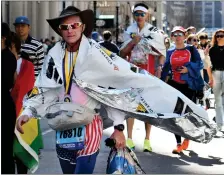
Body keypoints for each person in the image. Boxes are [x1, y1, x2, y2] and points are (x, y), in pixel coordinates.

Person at [16, 6, 126, 174]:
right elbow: (44, 88)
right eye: (65, 27)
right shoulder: (53, 55)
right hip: (63, 125)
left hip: (89, 123)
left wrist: (118, 128)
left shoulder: (96, 54)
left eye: (74, 25)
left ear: (83, 27)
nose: (70, 30)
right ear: (60, 30)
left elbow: (109, 91)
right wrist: (29, 111)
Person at [120, 2, 165, 152]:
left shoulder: (153, 31)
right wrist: (133, 42)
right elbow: (122, 53)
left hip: (149, 72)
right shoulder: (129, 31)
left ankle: (147, 140)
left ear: (147, 15)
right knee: (130, 106)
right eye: (137, 14)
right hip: (132, 72)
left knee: (148, 107)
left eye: (142, 14)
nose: (139, 16)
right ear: (133, 15)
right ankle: (130, 138)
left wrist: (160, 67)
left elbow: (162, 53)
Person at [161, 26, 204, 154]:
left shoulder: (191, 49)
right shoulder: (170, 51)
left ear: (185, 36)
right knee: (175, 114)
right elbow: (166, 67)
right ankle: (178, 143)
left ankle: (187, 137)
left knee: (187, 113)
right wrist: (162, 82)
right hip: (175, 84)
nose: (178, 36)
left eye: (180, 34)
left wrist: (188, 69)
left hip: (189, 85)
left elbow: (199, 64)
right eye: (175, 34)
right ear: (173, 36)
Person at [9, 32, 35, 174]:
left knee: (21, 154)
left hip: (20, 113)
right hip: (8, 112)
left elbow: (28, 90)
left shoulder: (26, 65)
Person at [1, 22, 17, 174]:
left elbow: (7, 81)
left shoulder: (8, 57)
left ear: (3, 38)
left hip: (4, 107)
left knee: (4, 149)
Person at [209, 29, 224, 133]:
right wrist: (210, 78)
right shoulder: (212, 50)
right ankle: (219, 124)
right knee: (218, 101)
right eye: (217, 36)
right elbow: (208, 66)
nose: (219, 37)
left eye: (221, 36)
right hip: (215, 74)